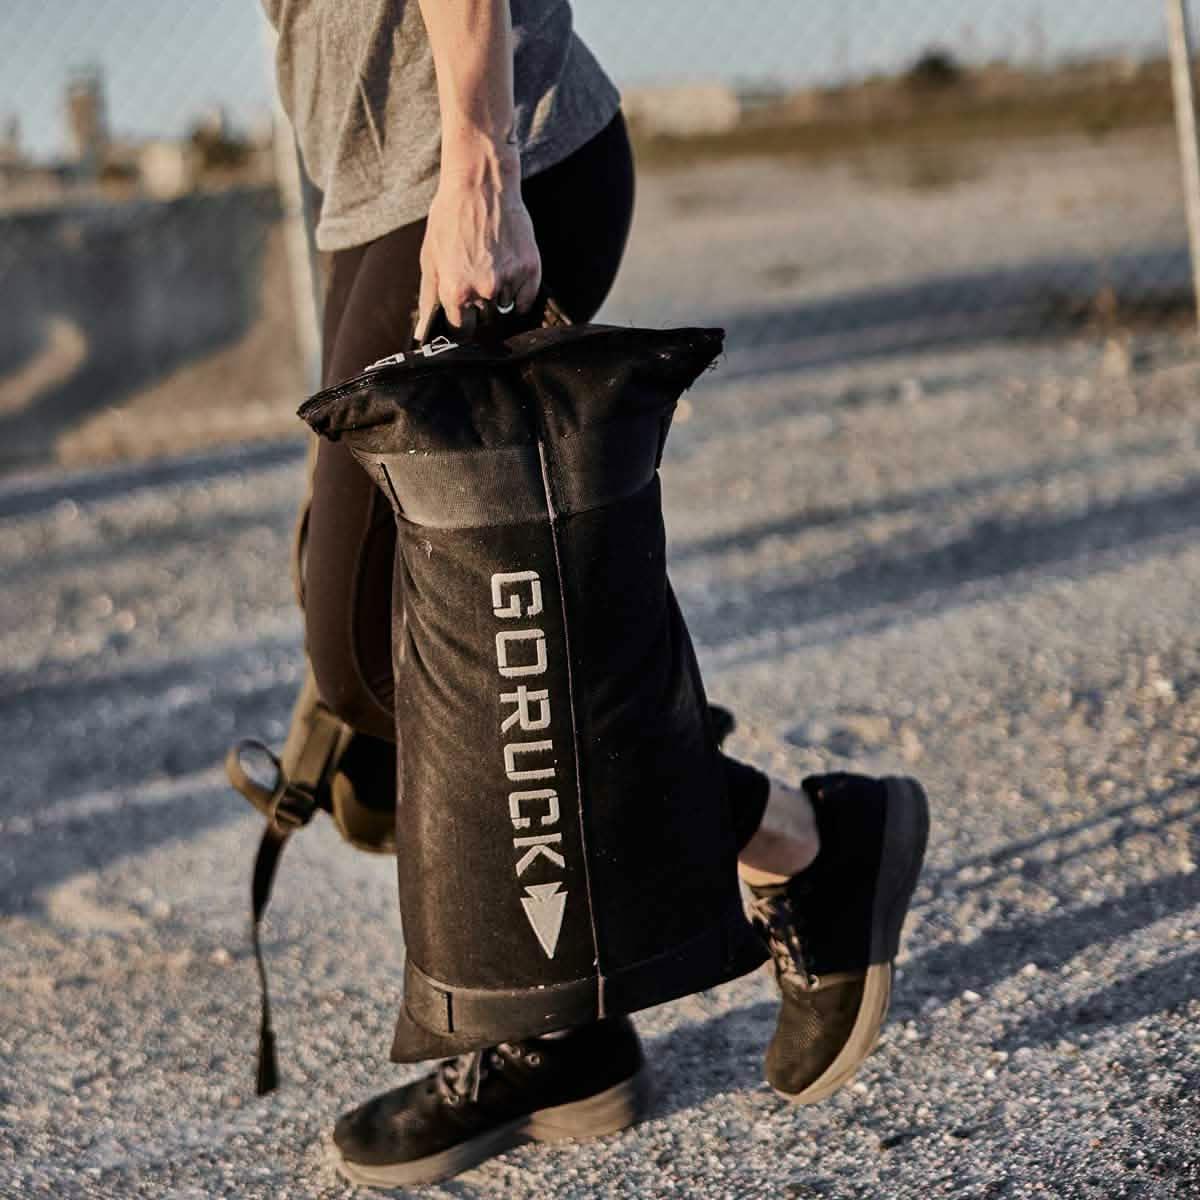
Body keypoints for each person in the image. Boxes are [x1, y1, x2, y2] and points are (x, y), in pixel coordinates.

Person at [259, 0, 929, 1187]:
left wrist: (478, 161)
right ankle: (555, 1028)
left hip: (476, 161)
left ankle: (803, 843)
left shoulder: (474, 161)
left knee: (369, 652)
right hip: (378, 179)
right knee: (451, 623)